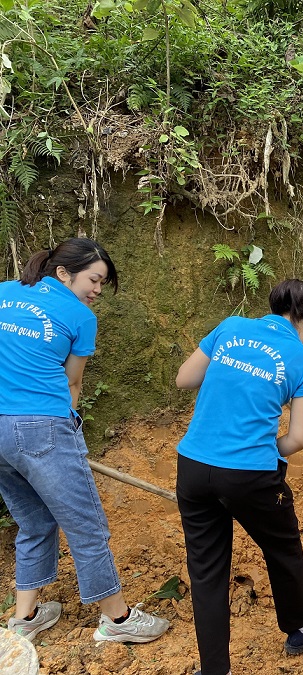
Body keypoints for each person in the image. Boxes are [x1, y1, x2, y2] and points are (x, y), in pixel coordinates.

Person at [0, 239, 170, 644]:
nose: (97, 290)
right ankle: (118, 619)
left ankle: (26, 619)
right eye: (94, 280)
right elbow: (73, 382)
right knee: (86, 526)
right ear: (63, 272)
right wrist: (62, 428)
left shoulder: (4, 292)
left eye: (102, 283)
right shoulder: (79, 316)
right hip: (42, 426)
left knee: (34, 521)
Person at [175, 279, 303, 675]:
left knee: (207, 572)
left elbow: (184, 378)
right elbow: (299, 438)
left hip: (193, 467)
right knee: (282, 547)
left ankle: (215, 669)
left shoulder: (230, 327)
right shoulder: (301, 359)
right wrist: (268, 447)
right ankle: (301, 628)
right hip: (249, 475)